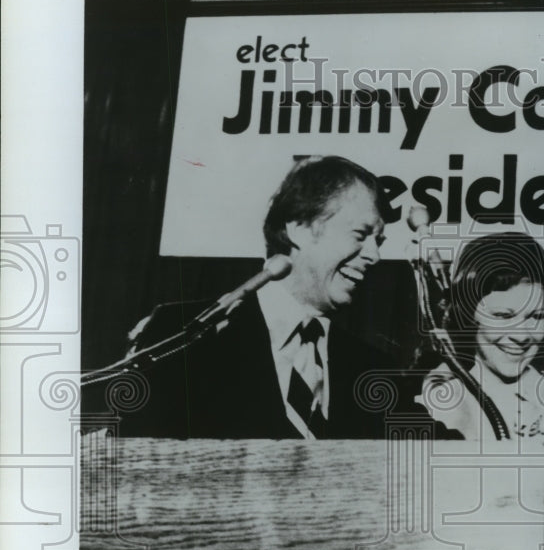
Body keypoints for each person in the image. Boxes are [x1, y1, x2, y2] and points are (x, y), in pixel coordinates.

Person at [110, 155, 393, 439]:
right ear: (300, 228)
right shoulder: (182, 335)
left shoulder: (371, 367)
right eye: (360, 234)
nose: (375, 256)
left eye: (378, 242)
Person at [415, 232, 544, 550]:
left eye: (535, 316)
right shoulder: (435, 404)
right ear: (466, 316)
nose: (522, 336)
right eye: (503, 316)